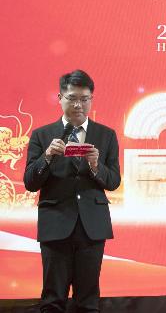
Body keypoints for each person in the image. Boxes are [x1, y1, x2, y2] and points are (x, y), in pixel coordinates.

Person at [23, 69, 121, 312]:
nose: (79, 105)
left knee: (88, 300)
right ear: (60, 98)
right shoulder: (42, 135)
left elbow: (113, 181)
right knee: (52, 299)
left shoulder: (106, 135)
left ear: (91, 99)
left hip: (92, 226)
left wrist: (96, 166)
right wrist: (47, 156)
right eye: (72, 98)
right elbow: (30, 183)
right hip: (55, 223)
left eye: (84, 99)